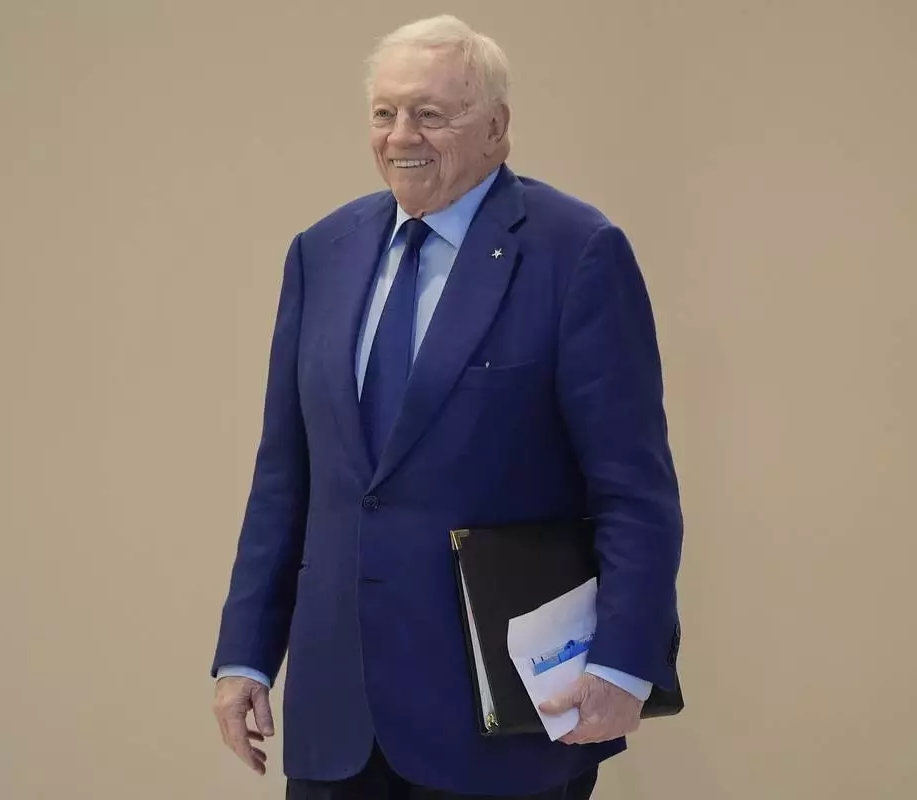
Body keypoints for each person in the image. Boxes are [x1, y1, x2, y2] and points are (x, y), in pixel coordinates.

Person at [210, 14, 683, 800]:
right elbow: (286, 476)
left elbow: (634, 489)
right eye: (385, 112)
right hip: (339, 716)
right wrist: (245, 655)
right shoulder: (320, 253)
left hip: (502, 721)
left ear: (496, 127)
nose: (403, 135)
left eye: (430, 113)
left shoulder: (577, 252)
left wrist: (625, 662)